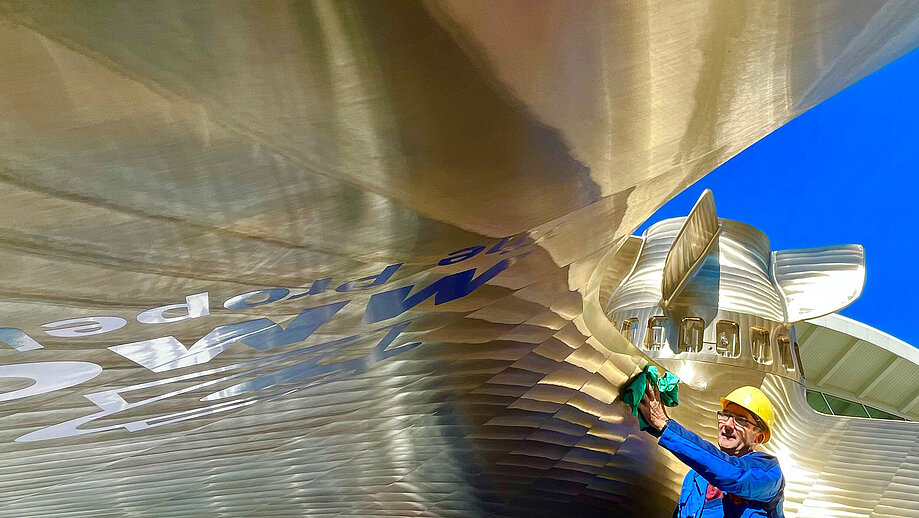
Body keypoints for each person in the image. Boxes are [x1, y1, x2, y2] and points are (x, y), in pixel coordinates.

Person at [638, 383, 785, 518]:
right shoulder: (694, 477)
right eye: (725, 415)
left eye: (741, 420)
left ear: (758, 438)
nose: (728, 425)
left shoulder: (769, 472)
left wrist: (666, 427)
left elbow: (733, 474)